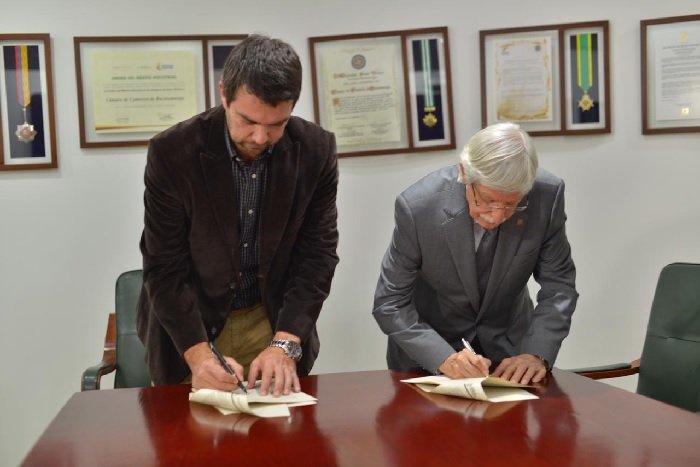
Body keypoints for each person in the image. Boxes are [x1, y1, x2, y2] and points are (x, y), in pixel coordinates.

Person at [136, 34, 339, 396]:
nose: (261, 137)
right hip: (189, 327)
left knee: (280, 446)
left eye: (277, 124)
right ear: (223, 94)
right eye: (248, 121)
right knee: (190, 446)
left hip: (271, 320)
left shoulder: (316, 151)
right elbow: (164, 268)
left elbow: (317, 257)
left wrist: (286, 343)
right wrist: (198, 358)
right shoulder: (173, 153)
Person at [372, 122, 577, 384]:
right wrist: (443, 357)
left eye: (511, 205)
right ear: (464, 174)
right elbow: (389, 302)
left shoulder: (547, 196)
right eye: (486, 200)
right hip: (430, 353)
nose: (497, 217)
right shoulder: (417, 207)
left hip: (509, 353)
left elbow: (559, 286)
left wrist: (536, 352)